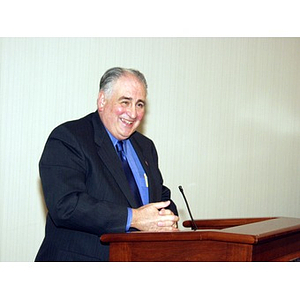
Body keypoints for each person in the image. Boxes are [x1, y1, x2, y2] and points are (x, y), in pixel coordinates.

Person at [35, 67, 179, 261]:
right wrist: (134, 218)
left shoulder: (146, 147)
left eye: (140, 104)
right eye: (125, 102)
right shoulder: (69, 138)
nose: (133, 113)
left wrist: (166, 219)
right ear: (102, 100)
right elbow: (66, 205)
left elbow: (159, 194)